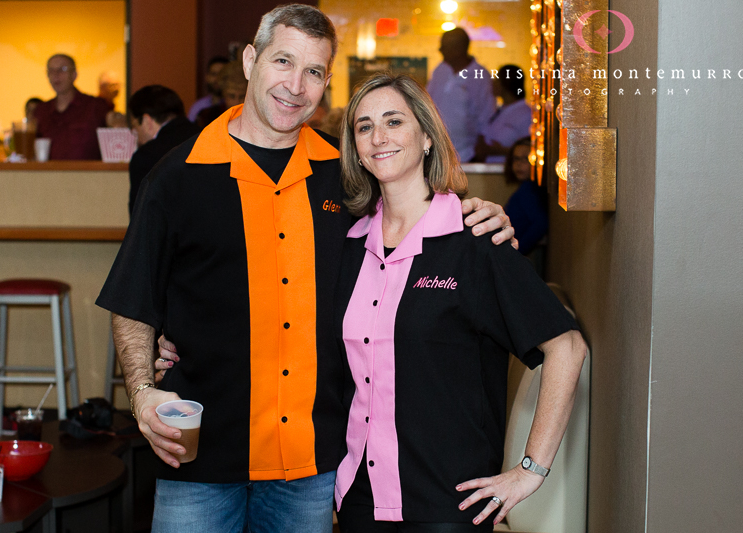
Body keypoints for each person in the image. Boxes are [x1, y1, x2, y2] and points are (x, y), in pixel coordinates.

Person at [98, 5, 512, 533]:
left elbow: (418, 218)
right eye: (283, 62)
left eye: (314, 71)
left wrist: (477, 213)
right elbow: (132, 301)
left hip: (312, 467)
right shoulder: (178, 177)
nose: (296, 85)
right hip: (197, 462)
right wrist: (141, 392)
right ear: (250, 61)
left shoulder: (346, 178)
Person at [329, 73, 585, 532]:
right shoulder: (349, 245)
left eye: (393, 121)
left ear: (427, 137)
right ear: (355, 147)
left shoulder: (475, 239)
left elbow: (566, 347)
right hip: (359, 505)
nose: (379, 137)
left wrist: (530, 471)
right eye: (364, 127)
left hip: (449, 508)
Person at [127, 85, 200, 215]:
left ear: (146, 120)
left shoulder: (147, 156)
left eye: (135, 126)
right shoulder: (210, 137)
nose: (135, 133)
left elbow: (140, 219)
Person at [426, 28, 495, 162]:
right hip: (436, 150)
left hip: (466, 154)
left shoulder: (480, 76)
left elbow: (486, 115)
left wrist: (480, 149)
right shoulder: (440, 70)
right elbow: (427, 102)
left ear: (459, 48)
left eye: (444, 46)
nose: (440, 50)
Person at [34, 54, 111, 160]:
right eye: (51, 70)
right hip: (49, 175)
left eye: (63, 69)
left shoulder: (95, 106)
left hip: (88, 175)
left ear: (74, 75)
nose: (56, 75)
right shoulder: (41, 111)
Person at [474, 65, 532, 164]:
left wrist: (501, 151)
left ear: (506, 84)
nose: (492, 83)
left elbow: (530, 149)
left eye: (497, 80)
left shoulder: (526, 114)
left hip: (510, 172)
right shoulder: (499, 111)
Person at [502, 138, 548, 256]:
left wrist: (516, 253)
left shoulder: (529, 191)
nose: (519, 164)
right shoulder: (525, 189)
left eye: (526, 159)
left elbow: (541, 224)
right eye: (516, 159)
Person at [195, 61, 248, 129]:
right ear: (224, 94)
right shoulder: (207, 117)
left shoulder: (256, 119)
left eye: (242, 96)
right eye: (231, 96)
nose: (236, 102)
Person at [187, 56, 230, 122]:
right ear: (207, 77)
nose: (217, 79)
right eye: (213, 74)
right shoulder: (198, 107)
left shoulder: (234, 104)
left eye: (221, 75)